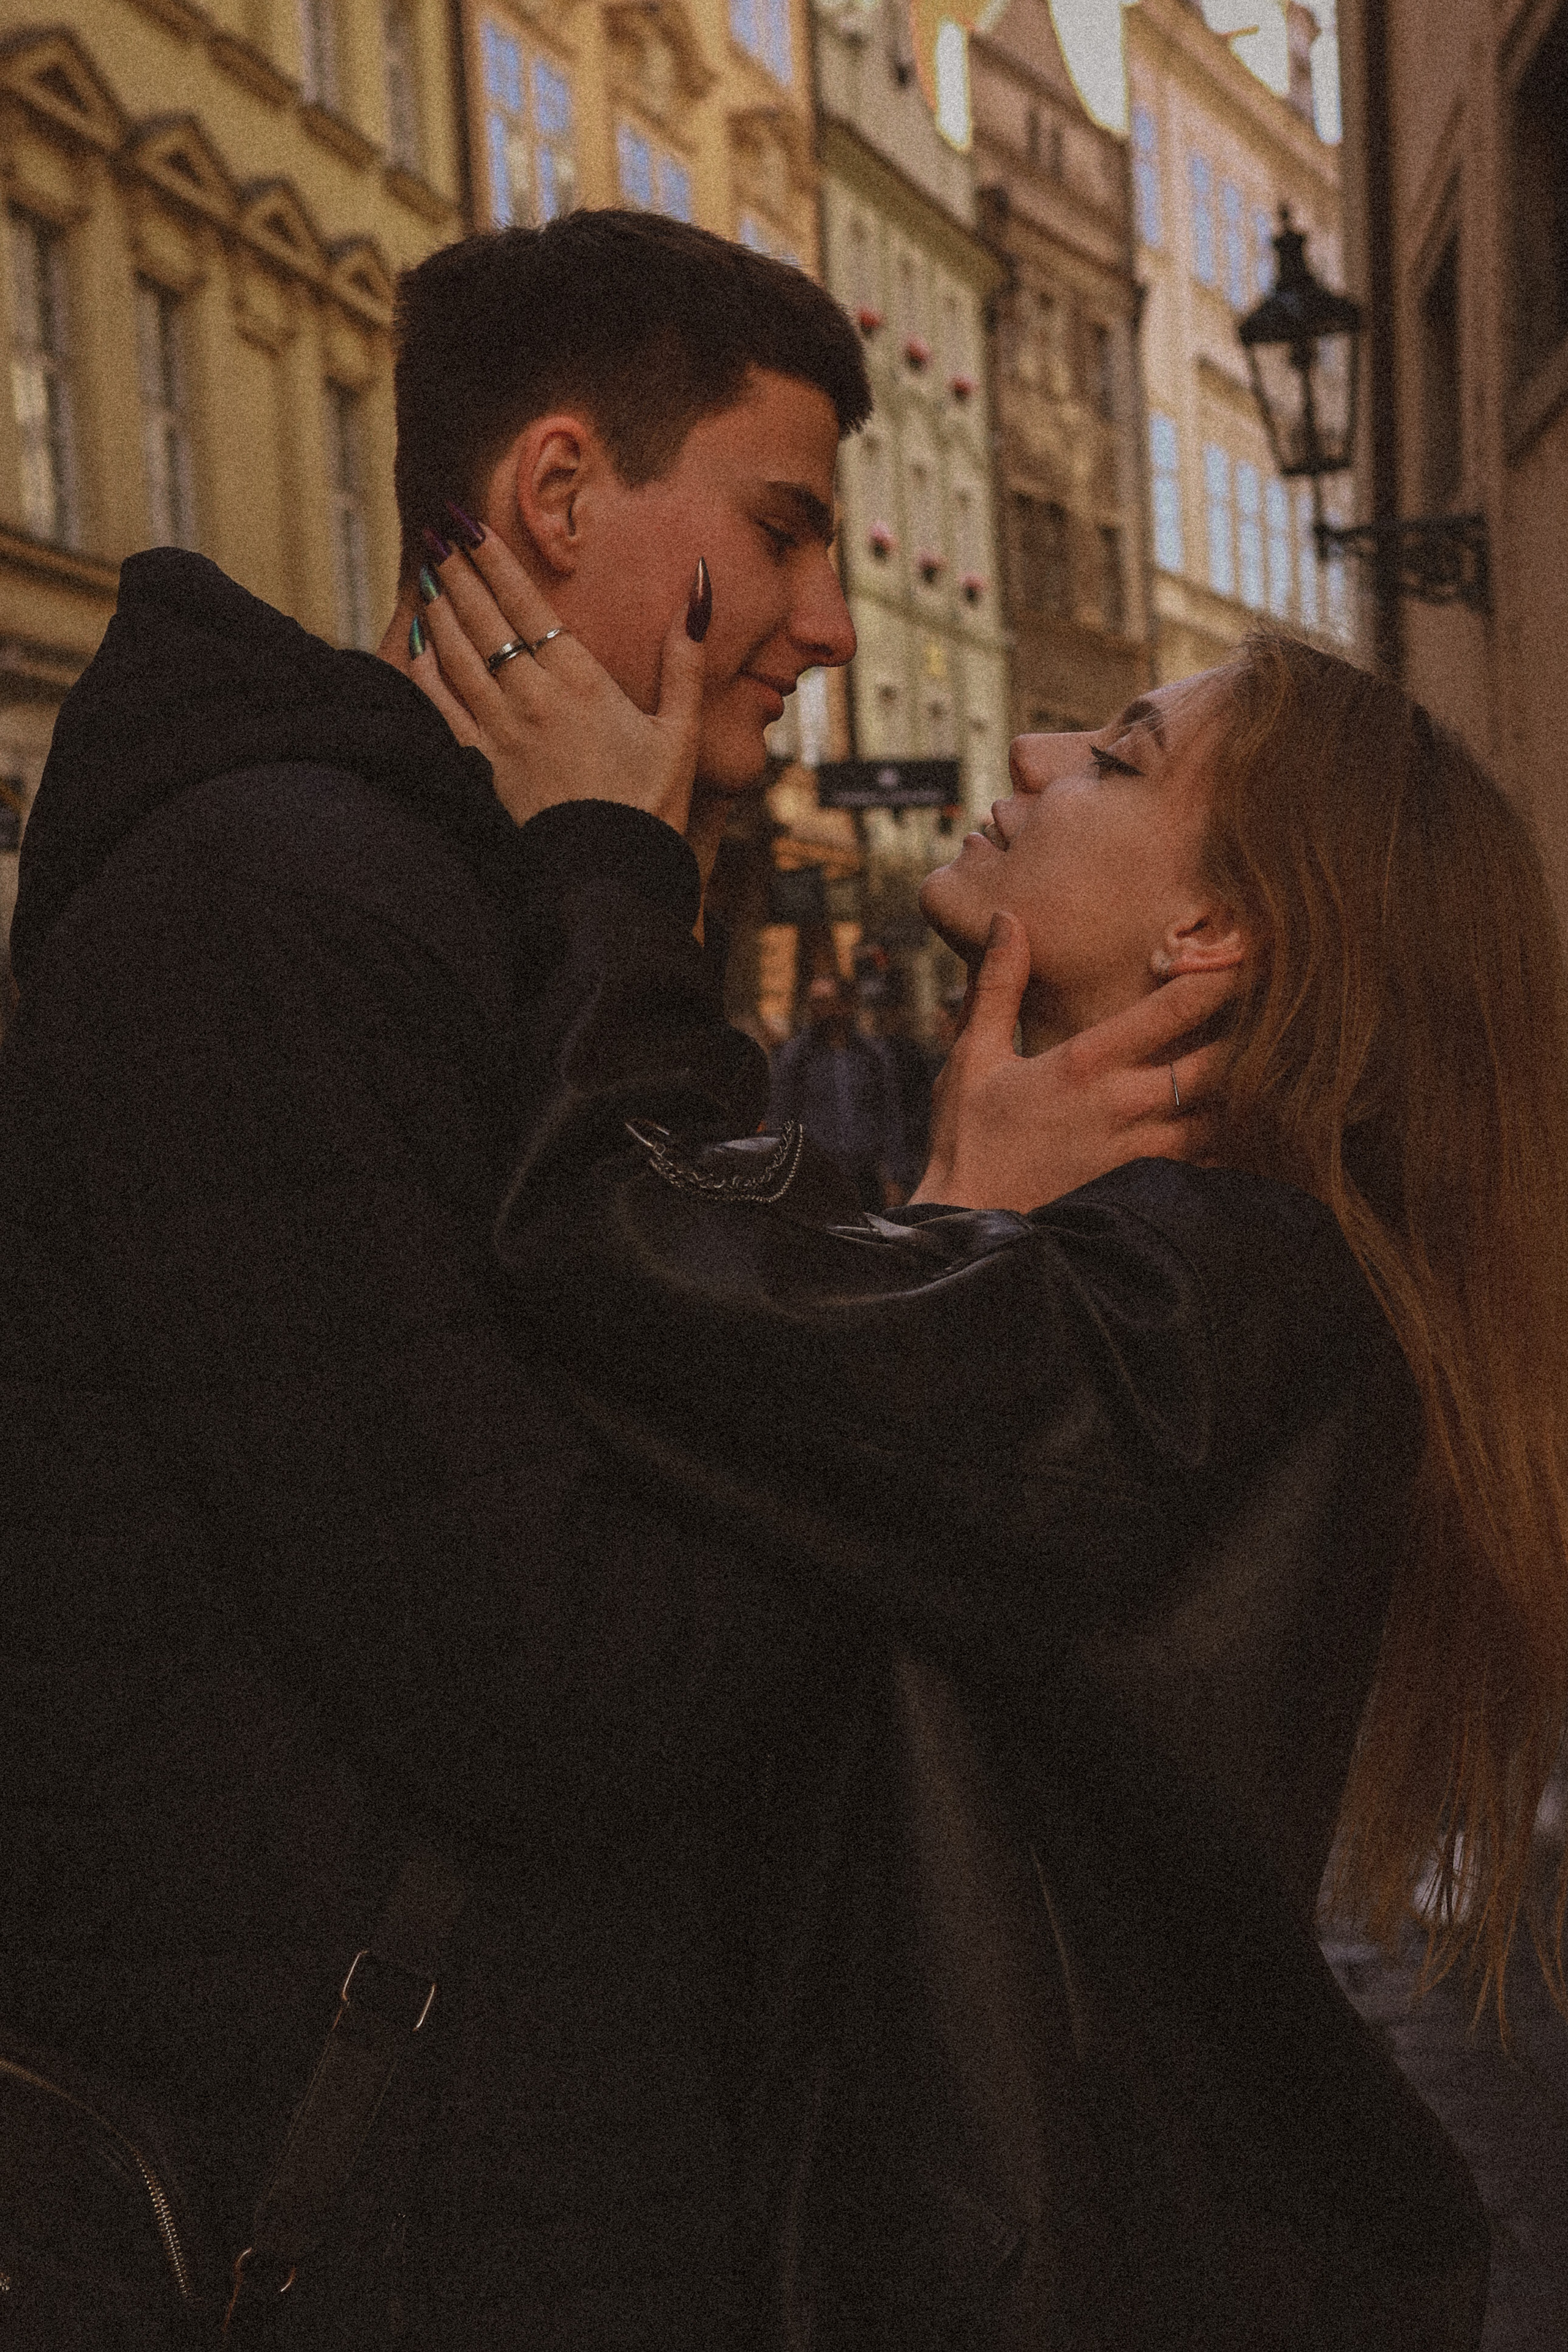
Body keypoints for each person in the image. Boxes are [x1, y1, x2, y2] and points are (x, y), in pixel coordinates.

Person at [0, 210, 1235, 2349]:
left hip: (495, 2177)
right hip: (357, 2208)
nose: (837, 621)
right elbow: (549, 1681)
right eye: (784, 533)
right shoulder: (275, 913)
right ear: (560, 494)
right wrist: (946, 1291)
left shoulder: (487, 916)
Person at [418, 551, 1568, 2343]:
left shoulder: (1216, 1298)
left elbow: (606, 1245)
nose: (1028, 750)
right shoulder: (1194, 1277)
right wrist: (952, 1232)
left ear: (1214, 938)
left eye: (1112, 756)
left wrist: (602, 850)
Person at [766, 969, 909, 1207]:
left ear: (845, 1005)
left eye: (825, 1002)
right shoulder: (796, 1057)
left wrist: (895, 1177)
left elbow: (890, 1117)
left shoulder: (872, 1055)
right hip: (814, 1178)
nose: (818, 1010)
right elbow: (780, 1116)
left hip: (865, 1175)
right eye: (814, 1002)